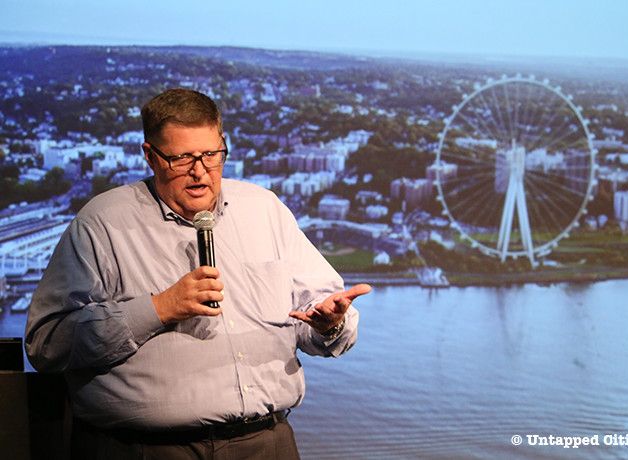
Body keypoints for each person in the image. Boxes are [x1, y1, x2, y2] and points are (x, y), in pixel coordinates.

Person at [25, 88, 371, 459]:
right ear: (150, 156)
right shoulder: (102, 224)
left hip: (266, 443)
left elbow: (319, 319)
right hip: (146, 450)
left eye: (211, 155)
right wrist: (157, 309)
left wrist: (328, 323)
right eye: (181, 159)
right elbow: (47, 343)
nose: (200, 172)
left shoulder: (264, 209)